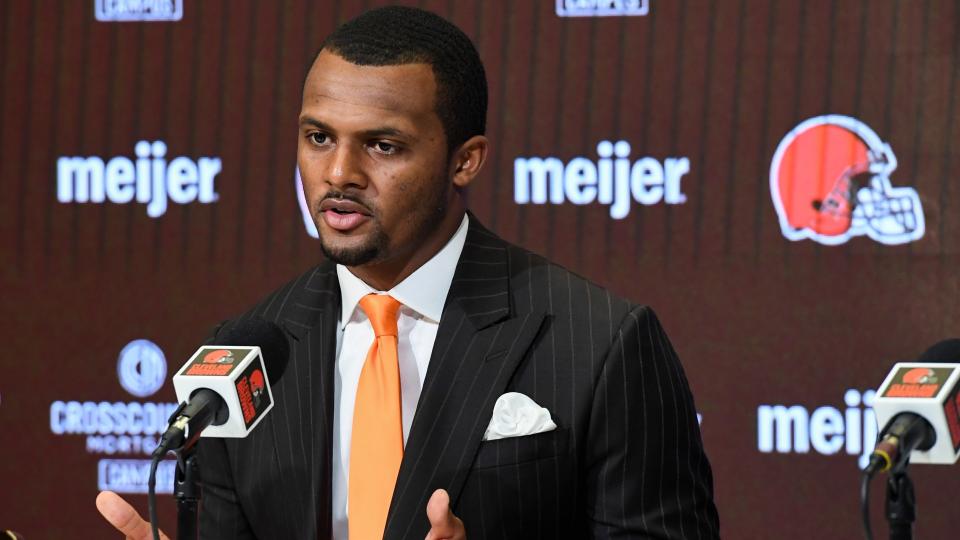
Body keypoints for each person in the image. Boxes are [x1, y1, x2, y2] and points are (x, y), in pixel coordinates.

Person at [97, 6, 720, 539]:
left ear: (465, 161)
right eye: (319, 137)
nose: (338, 173)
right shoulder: (247, 356)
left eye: (382, 145)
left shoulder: (603, 344)